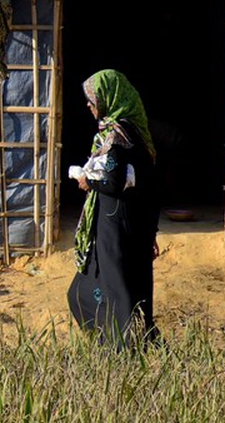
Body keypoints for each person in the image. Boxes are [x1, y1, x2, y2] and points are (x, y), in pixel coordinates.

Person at [66, 69, 160, 348]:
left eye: (92, 99)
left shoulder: (117, 136)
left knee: (116, 288)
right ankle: (135, 341)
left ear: (109, 97)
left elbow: (113, 181)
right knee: (112, 286)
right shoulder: (138, 132)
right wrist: (151, 231)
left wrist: (87, 181)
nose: (89, 105)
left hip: (116, 222)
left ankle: (120, 349)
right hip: (133, 222)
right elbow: (150, 185)